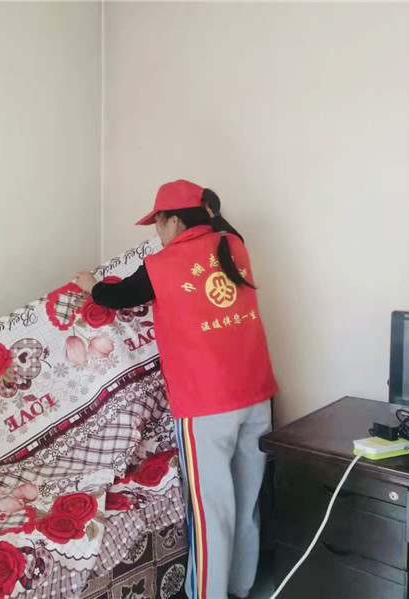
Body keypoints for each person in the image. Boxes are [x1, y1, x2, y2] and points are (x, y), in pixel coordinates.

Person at [75, 180, 278, 599]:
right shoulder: (234, 245)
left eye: (158, 223)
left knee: (211, 511)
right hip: (257, 396)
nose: (157, 233)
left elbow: (118, 296)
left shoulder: (162, 265)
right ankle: (241, 587)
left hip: (206, 407)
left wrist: (91, 284)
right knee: (247, 502)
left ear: (173, 220)